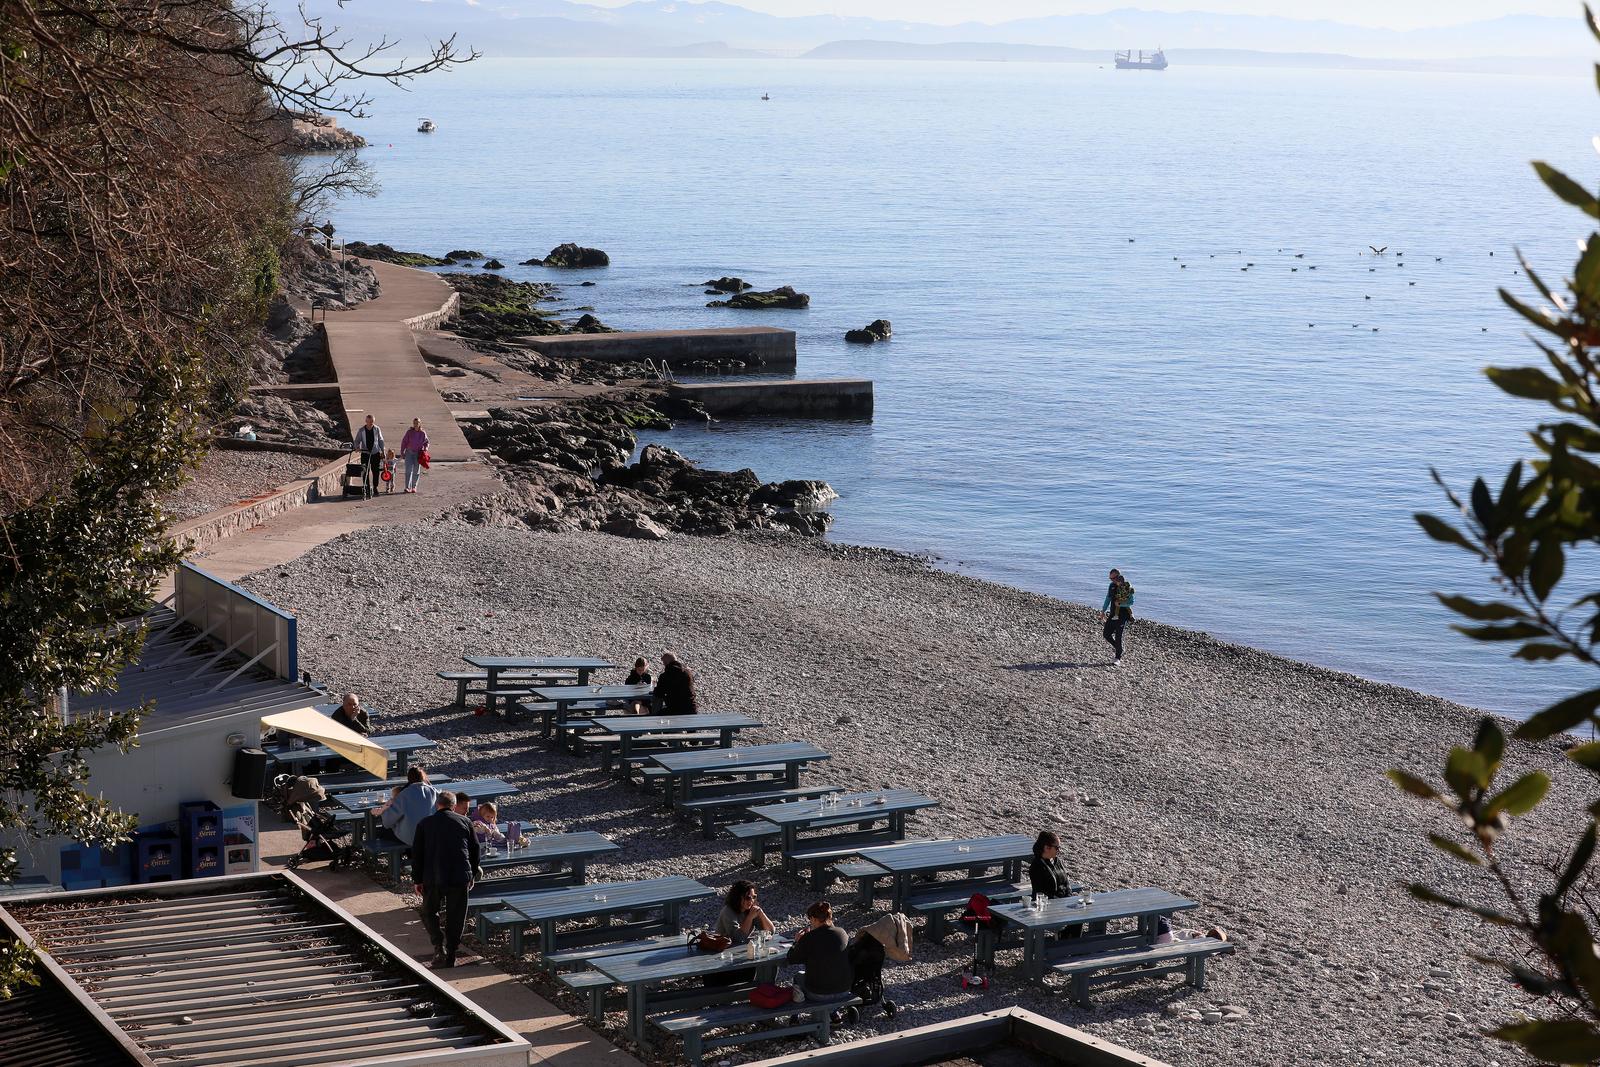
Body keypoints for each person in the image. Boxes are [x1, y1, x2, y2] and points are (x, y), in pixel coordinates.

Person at [411, 790, 482, 969]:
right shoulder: (465, 822)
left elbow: (417, 855)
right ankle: (451, 952)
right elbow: (475, 851)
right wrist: (471, 874)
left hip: (432, 876)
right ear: (454, 805)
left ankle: (437, 946)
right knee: (456, 916)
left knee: (429, 912)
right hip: (459, 876)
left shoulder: (424, 824)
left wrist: (417, 879)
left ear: (437, 804)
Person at [786, 901, 854, 1005]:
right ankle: (834, 1013)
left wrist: (797, 942)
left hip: (819, 993)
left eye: (810, 920)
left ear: (813, 918)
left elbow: (791, 959)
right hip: (844, 990)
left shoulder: (809, 938)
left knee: (798, 977)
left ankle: (795, 1016)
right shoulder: (842, 933)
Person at [1029, 830, 1081, 938]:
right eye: (1057, 848)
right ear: (1047, 848)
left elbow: (1066, 884)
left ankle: (1071, 946)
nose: (1059, 851)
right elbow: (1042, 894)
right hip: (1049, 907)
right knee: (1076, 917)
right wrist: (1064, 904)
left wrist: (1070, 899)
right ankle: (1065, 943)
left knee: (1080, 915)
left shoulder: (1057, 861)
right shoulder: (1036, 867)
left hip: (1063, 903)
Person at [378, 766, 436, 848]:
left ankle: (398, 857)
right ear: (424, 777)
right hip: (430, 835)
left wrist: (383, 811)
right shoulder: (434, 791)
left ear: (409, 779)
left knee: (383, 831)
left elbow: (387, 821)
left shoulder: (404, 794)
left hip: (411, 836)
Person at [1099, 568, 1136, 666]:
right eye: (1110, 579)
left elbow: (1131, 602)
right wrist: (1103, 611)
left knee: (1119, 636)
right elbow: (1108, 599)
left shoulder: (1127, 586)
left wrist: (1120, 604)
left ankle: (1117, 658)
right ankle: (1119, 648)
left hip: (1123, 615)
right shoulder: (1111, 586)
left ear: (1119, 576)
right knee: (1106, 634)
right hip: (1112, 613)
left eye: (1114, 578)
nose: (1112, 581)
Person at [653, 651, 699, 715]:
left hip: (675, 710)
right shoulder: (688, 673)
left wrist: (655, 690)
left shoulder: (665, 676)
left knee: (657, 716)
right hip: (691, 708)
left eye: (664, 663)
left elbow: (659, 693)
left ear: (666, 663)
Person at [354, 414, 385, 500]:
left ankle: (375, 487)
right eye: (369, 421)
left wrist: (383, 451)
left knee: (376, 471)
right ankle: (366, 488)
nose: (370, 423)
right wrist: (357, 447)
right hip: (365, 453)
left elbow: (381, 440)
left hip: (375, 453)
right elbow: (357, 440)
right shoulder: (361, 430)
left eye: (372, 422)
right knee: (365, 471)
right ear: (366, 421)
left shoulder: (377, 429)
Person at [401, 418, 430, 494]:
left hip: (418, 453)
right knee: (408, 470)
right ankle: (407, 487)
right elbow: (404, 442)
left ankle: (414, 487)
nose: (416, 424)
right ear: (413, 424)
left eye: (417, 423)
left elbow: (426, 442)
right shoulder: (409, 432)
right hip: (409, 452)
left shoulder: (423, 433)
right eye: (414, 423)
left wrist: (425, 449)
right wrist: (402, 452)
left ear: (420, 423)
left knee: (416, 471)